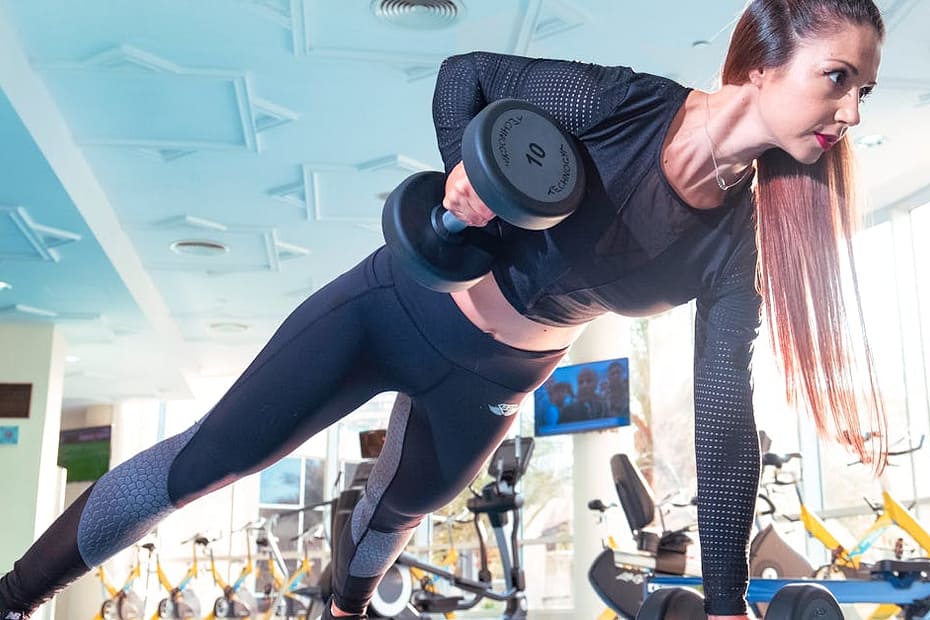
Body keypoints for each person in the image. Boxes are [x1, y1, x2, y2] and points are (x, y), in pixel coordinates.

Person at [0, 1, 890, 618]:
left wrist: (728, 603)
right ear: (762, 63)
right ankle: (13, 598)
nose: (850, 111)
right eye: (838, 77)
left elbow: (723, 420)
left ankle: (344, 612)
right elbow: (467, 76)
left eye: (864, 91)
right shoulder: (625, 104)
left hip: (496, 379)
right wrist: (468, 175)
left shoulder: (737, 245)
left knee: (400, 513)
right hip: (395, 305)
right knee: (211, 462)